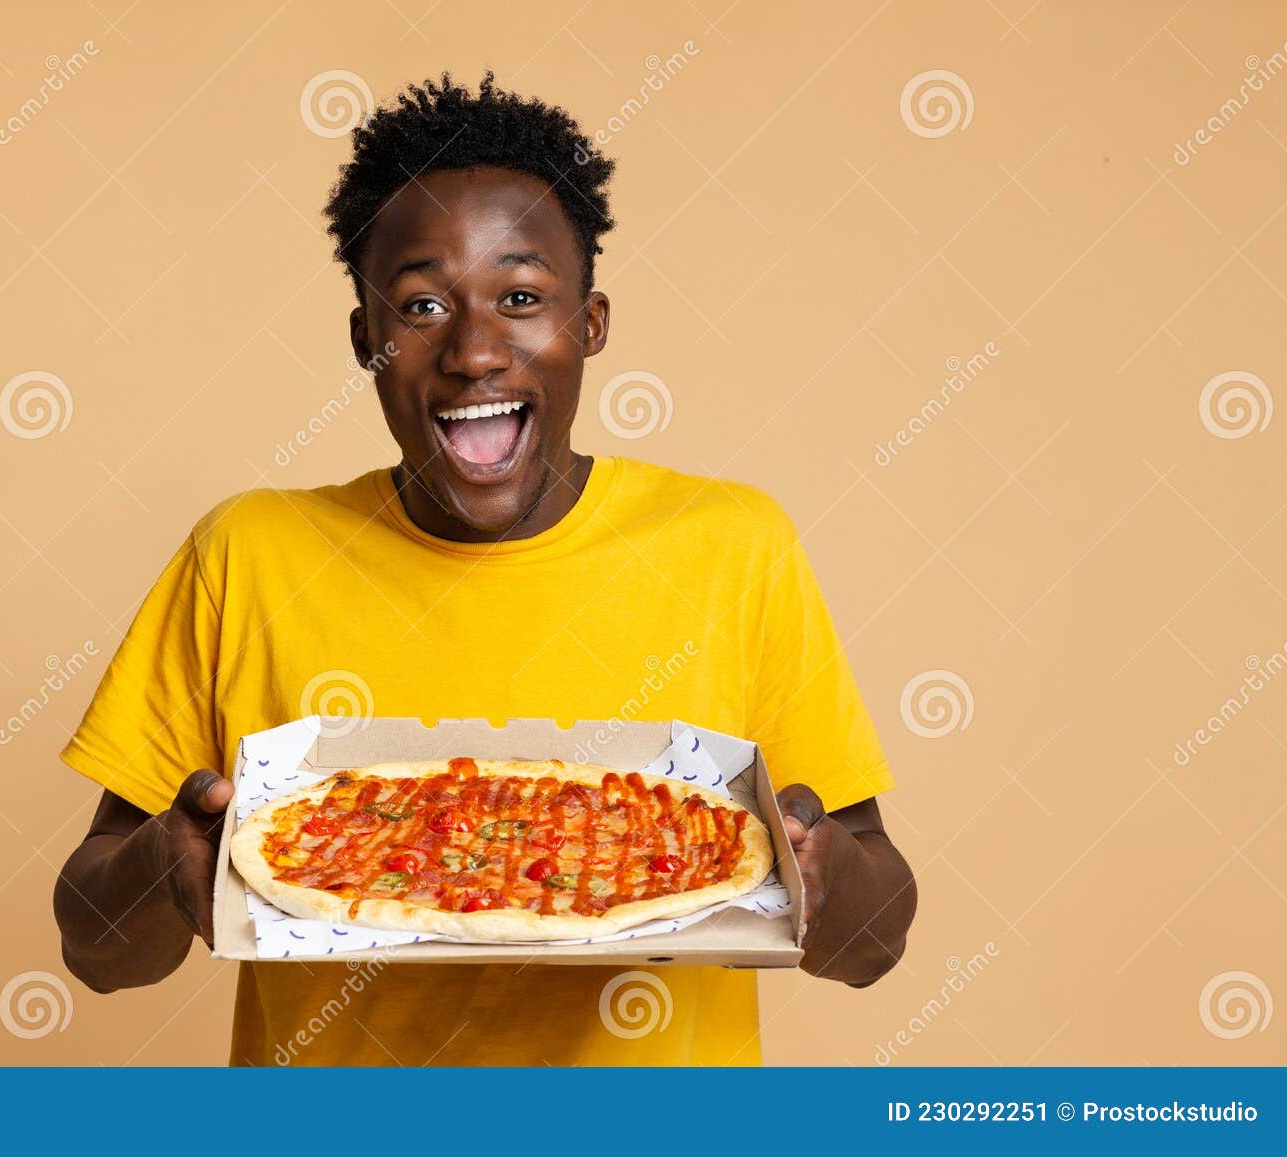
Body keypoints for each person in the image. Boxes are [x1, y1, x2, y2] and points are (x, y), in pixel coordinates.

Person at [52, 73, 916, 1065]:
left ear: (588, 324)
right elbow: (95, 949)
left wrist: (816, 869)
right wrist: (170, 865)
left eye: (519, 296)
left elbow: (873, 943)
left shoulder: (731, 543)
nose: (473, 350)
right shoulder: (247, 552)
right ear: (365, 341)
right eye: (420, 304)